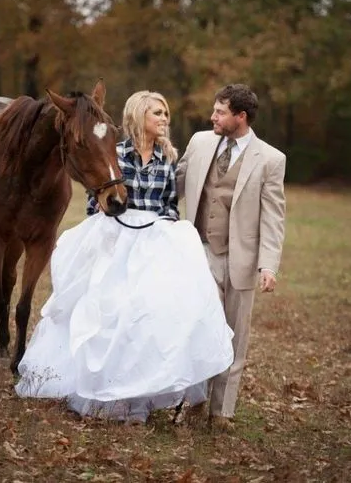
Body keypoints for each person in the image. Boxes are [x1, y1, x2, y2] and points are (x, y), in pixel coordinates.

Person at [15, 90, 234, 424]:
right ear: (138, 115)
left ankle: (141, 392)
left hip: (154, 239)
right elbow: (96, 200)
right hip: (117, 236)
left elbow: (168, 205)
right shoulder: (114, 153)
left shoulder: (166, 157)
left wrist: (168, 236)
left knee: (148, 318)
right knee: (108, 316)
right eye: (157, 112)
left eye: (166, 113)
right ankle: (104, 393)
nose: (164, 119)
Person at [176, 84, 286, 431]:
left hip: (240, 257)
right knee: (195, 329)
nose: (213, 117)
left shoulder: (270, 159)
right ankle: (191, 402)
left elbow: (273, 215)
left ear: (241, 117)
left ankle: (221, 412)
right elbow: (173, 184)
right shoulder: (199, 142)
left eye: (220, 112)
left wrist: (268, 264)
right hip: (198, 251)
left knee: (234, 336)